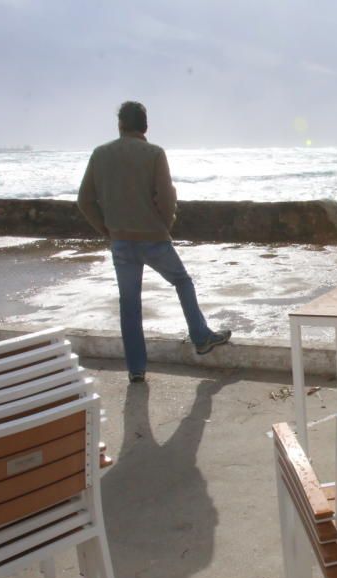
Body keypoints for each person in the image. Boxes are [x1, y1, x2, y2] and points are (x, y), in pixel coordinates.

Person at [78, 101, 230, 383]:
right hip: (153, 239)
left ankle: (136, 368)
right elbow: (167, 196)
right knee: (182, 282)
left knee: (130, 303)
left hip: (121, 241)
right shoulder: (154, 153)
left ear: (120, 125)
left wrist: (107, 229)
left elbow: (84, 200)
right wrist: (166, 224)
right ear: (145, 126)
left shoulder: (100, 154)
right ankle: (200, 337)